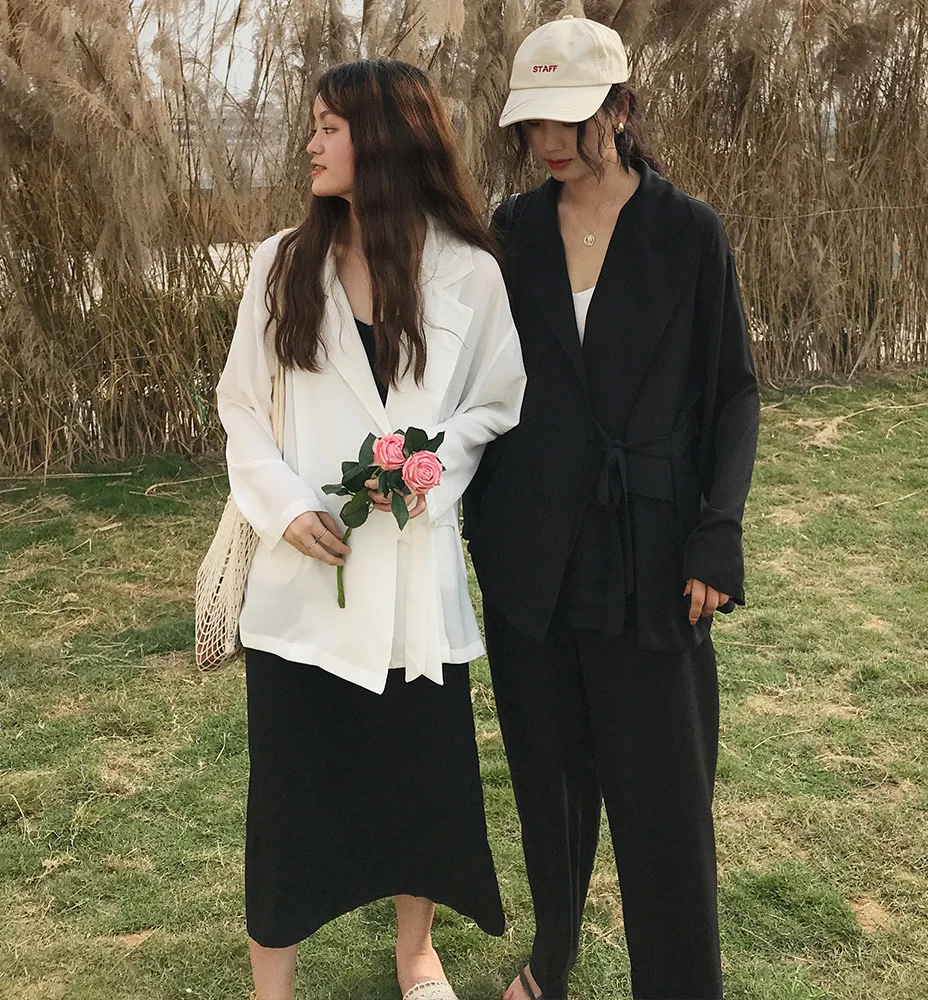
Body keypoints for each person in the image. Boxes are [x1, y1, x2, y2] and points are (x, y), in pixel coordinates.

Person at [462, 16, 759, 1000]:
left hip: (653, 552)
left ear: (621, 108)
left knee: (663, 801)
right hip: (531, 554)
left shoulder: (689, 233)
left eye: (569, 118)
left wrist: (717, 532)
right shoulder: (509, 232)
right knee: (548, 790)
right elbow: (472, 376)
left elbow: (733, 394)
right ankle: (551, 958)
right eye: (532, 122)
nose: (548, 141)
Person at [216, 59, 526, 1000]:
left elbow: (496, 402)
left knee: (417, 785)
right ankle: (271, 985)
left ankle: (416, 954)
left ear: (386, 138)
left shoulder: (471, 272)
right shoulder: (281, 263)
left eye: (329, 127)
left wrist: (429, 471)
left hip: (412, 584)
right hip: (305, 582)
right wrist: (285, 506)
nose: (310, 144)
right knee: (290, 801)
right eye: (313, 126)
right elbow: (241, 407)